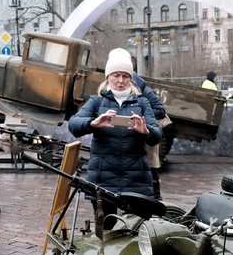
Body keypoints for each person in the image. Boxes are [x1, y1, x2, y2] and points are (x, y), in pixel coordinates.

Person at [68, 48, 161, 220]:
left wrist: (146, 131)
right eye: (116, 75)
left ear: (131, 79)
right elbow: (73, 125)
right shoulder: (96, 102)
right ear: (107, 77)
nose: (120, 81)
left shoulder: (142, 102)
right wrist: (93, 123)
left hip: (136, 179)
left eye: (125, 76)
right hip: (103, 178)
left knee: (136, 229)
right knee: (106, 228)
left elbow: (157, 135)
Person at [131, 57, 167, 200]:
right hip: (135, 134)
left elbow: (160, 110)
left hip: (148, 132)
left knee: (151, 167)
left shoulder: (142, 87)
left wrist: (144, 116)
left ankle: (157, 199)